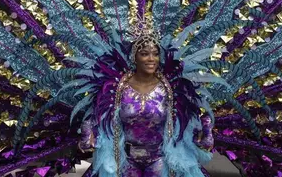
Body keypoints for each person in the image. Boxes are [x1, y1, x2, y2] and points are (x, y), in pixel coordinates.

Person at [78, 27, 214, 177]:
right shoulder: (116, 88)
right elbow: (102, 123)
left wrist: (204, 131)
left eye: (155, 54)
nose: (151, 59)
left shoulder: (172, 89)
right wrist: (88, 133)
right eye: (144, 54)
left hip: (161, 160)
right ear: (134, 57)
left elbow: (187, 125)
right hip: (125, 160)